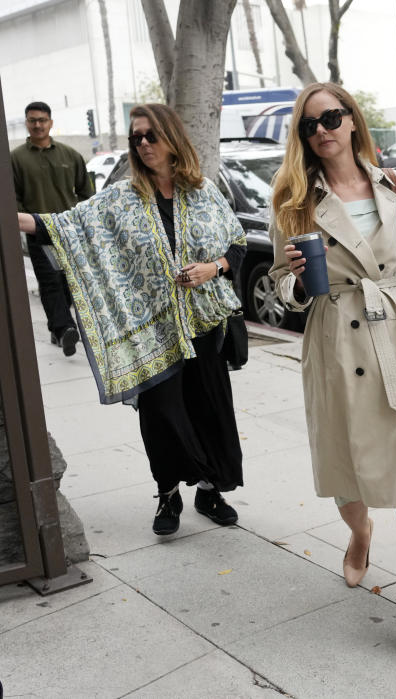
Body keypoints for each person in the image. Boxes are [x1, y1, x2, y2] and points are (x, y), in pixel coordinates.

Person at [268, 82, 396, 678]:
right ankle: (359, 534)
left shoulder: (395, 184)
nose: (324, 129)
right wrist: (301, 283)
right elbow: (283, 285)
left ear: (353, 120)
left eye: (333, 116)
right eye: (311, 124)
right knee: (348, 479)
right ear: (303, 136)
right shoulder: (293, 198)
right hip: (337, 341)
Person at [17, 103, 246, 536]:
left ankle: (210, 490)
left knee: (208, 410)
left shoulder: (204, 192)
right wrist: (15, 219)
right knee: (161, 414)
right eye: (136, 137)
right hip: (151, 333)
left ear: (172, 138)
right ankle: (168, 495)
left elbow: (235, 246)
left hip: (204, 326)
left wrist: (210, 269)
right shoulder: (122, 196)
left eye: (150, 136)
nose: (142, 144)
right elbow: (66, 227)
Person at [12, 101, 94, 357]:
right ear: (27, 123)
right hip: (38, 232)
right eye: (32, 120)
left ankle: (58, 327)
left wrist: (80, 221)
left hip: (70, 233)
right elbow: (13, 199)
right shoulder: (16, 159)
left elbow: (87, 193)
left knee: (70, 283)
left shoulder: (70, 155)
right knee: (50, 283)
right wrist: (28, 222)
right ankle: (64, 329)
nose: (37, 124)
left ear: (51, 122)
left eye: (42, 120)